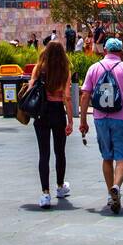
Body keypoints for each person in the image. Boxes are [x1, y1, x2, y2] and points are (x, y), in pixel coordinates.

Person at [79, 37, 123, 214]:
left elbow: (85, 95)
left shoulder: (94, 68)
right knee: (122, 157)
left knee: (106, 157)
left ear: (105, 50)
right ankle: (116, 186)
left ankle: (110, 194)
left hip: (100, 118)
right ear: (120, 51)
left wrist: (83, 120)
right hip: (122, 118)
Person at [29, 40, 74, 208]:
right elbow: (67, 98)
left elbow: (31, 87)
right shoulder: (64, 70)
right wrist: (70, 120)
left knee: (44, 153)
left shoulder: (39, 68)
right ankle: (60, 186)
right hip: (57, 112)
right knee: (60, 151)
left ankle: (45, 193)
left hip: (42, 112)